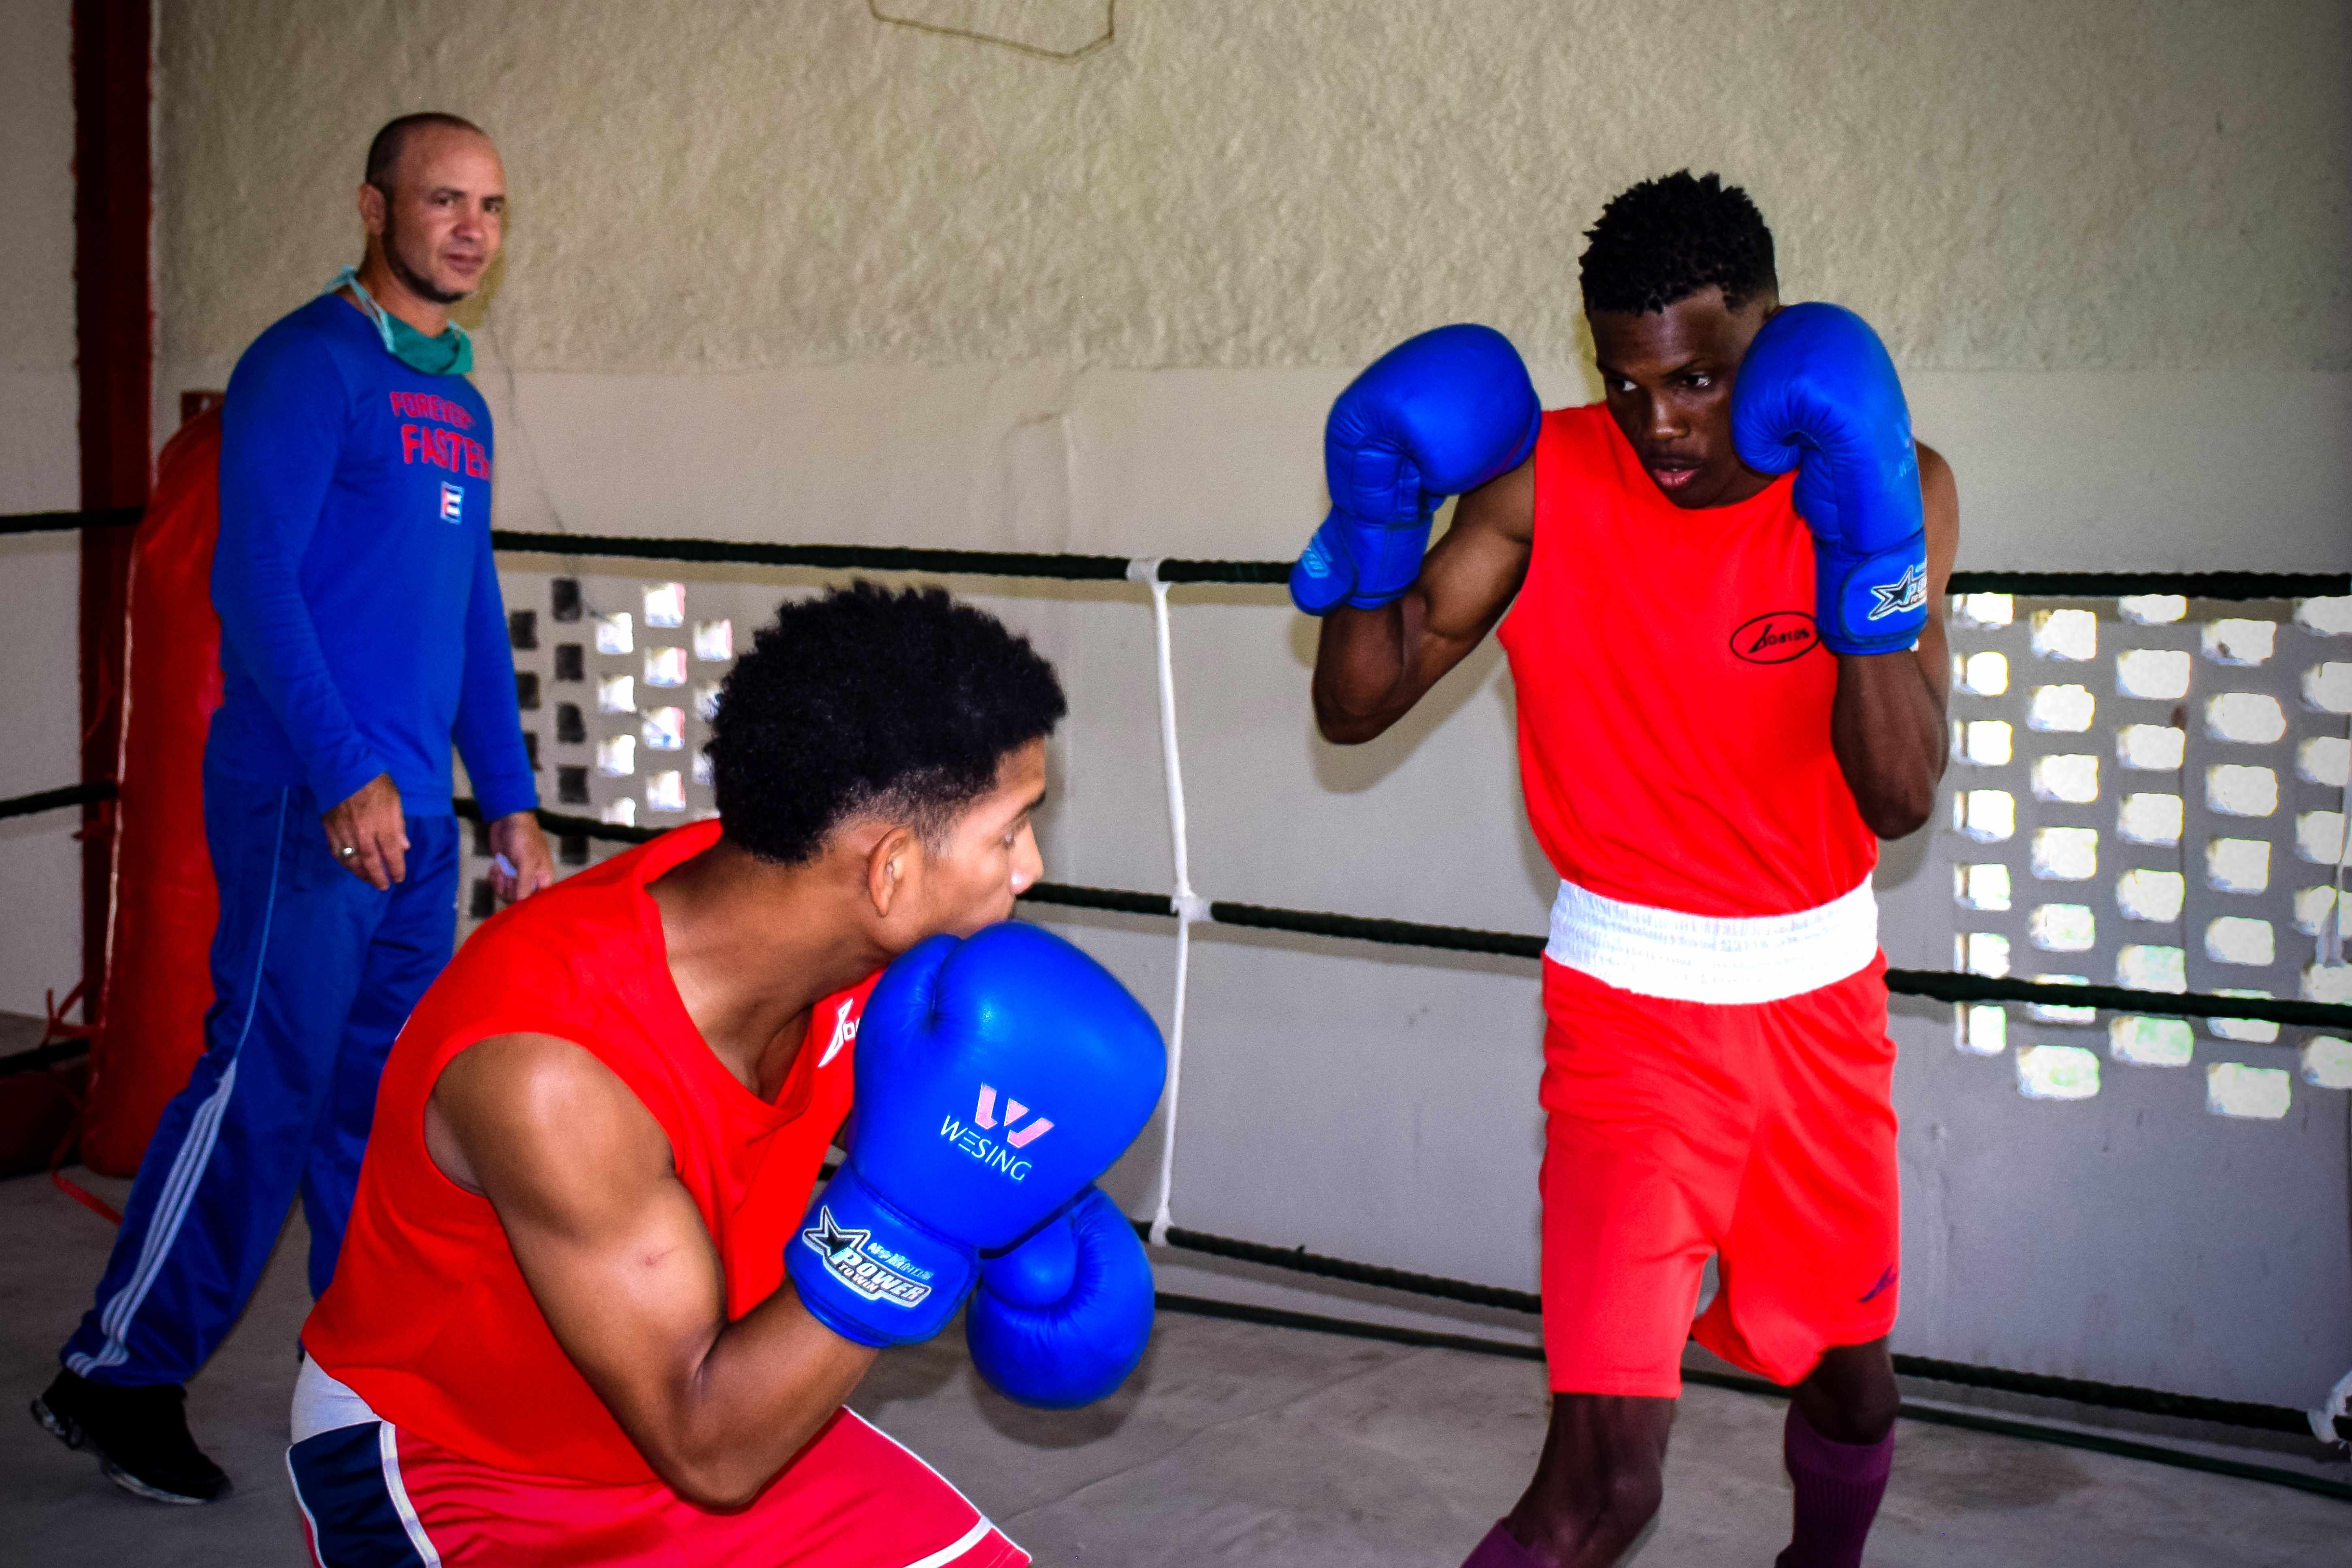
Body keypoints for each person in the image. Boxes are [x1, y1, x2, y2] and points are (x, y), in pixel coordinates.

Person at [1294, 172, 1958, 1568]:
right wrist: (1371, 532)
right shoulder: (1542, 483)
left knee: (1846, 1374)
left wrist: (1865, 555)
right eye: (1628, 380)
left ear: (1771, 336)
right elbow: (1354, 708)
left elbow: (1895, 796)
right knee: (1602, 1485)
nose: (1660, 423)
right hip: (1625, 1024)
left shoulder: (1893, 478)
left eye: (1702, 379)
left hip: (1818, 1016)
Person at [286, 584, 1164, 1565]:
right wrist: (912, 1227)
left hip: (715, 1404)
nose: (1029, 866)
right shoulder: (556, 1072)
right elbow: (711, 1448)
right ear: (889, 872)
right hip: (464, 1465)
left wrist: (1015, 1189)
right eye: (1008, 831)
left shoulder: (818, 922)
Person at [36, 112, 554, 1503]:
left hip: (420, 827)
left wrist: (504, 799)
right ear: (372, 207)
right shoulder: (304, 366)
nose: (468, 228)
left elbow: (464, 617)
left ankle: (371, 1380)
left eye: (490, 207)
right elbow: (252, 587)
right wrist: (345, 772)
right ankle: (118, 1375)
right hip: (311, 806)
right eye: (441, 200)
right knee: (261, 1091)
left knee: (383, 1112)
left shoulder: (459, 400)